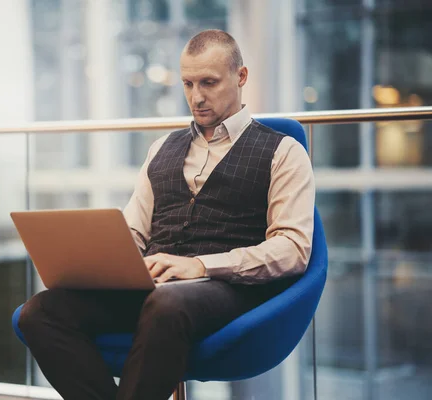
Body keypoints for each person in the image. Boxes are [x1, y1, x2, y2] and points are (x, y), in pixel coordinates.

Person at [17, 29, 315, 400]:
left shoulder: (283, 152)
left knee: (167, 304)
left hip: (228, 289)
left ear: (241, 77)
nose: (196, 97)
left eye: (209, 82)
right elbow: (133, 230)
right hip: (153, 287)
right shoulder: (162, 148)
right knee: (39, 312)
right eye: (188, 83)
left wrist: (203, 265)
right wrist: (100, 259)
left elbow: (293, 249)